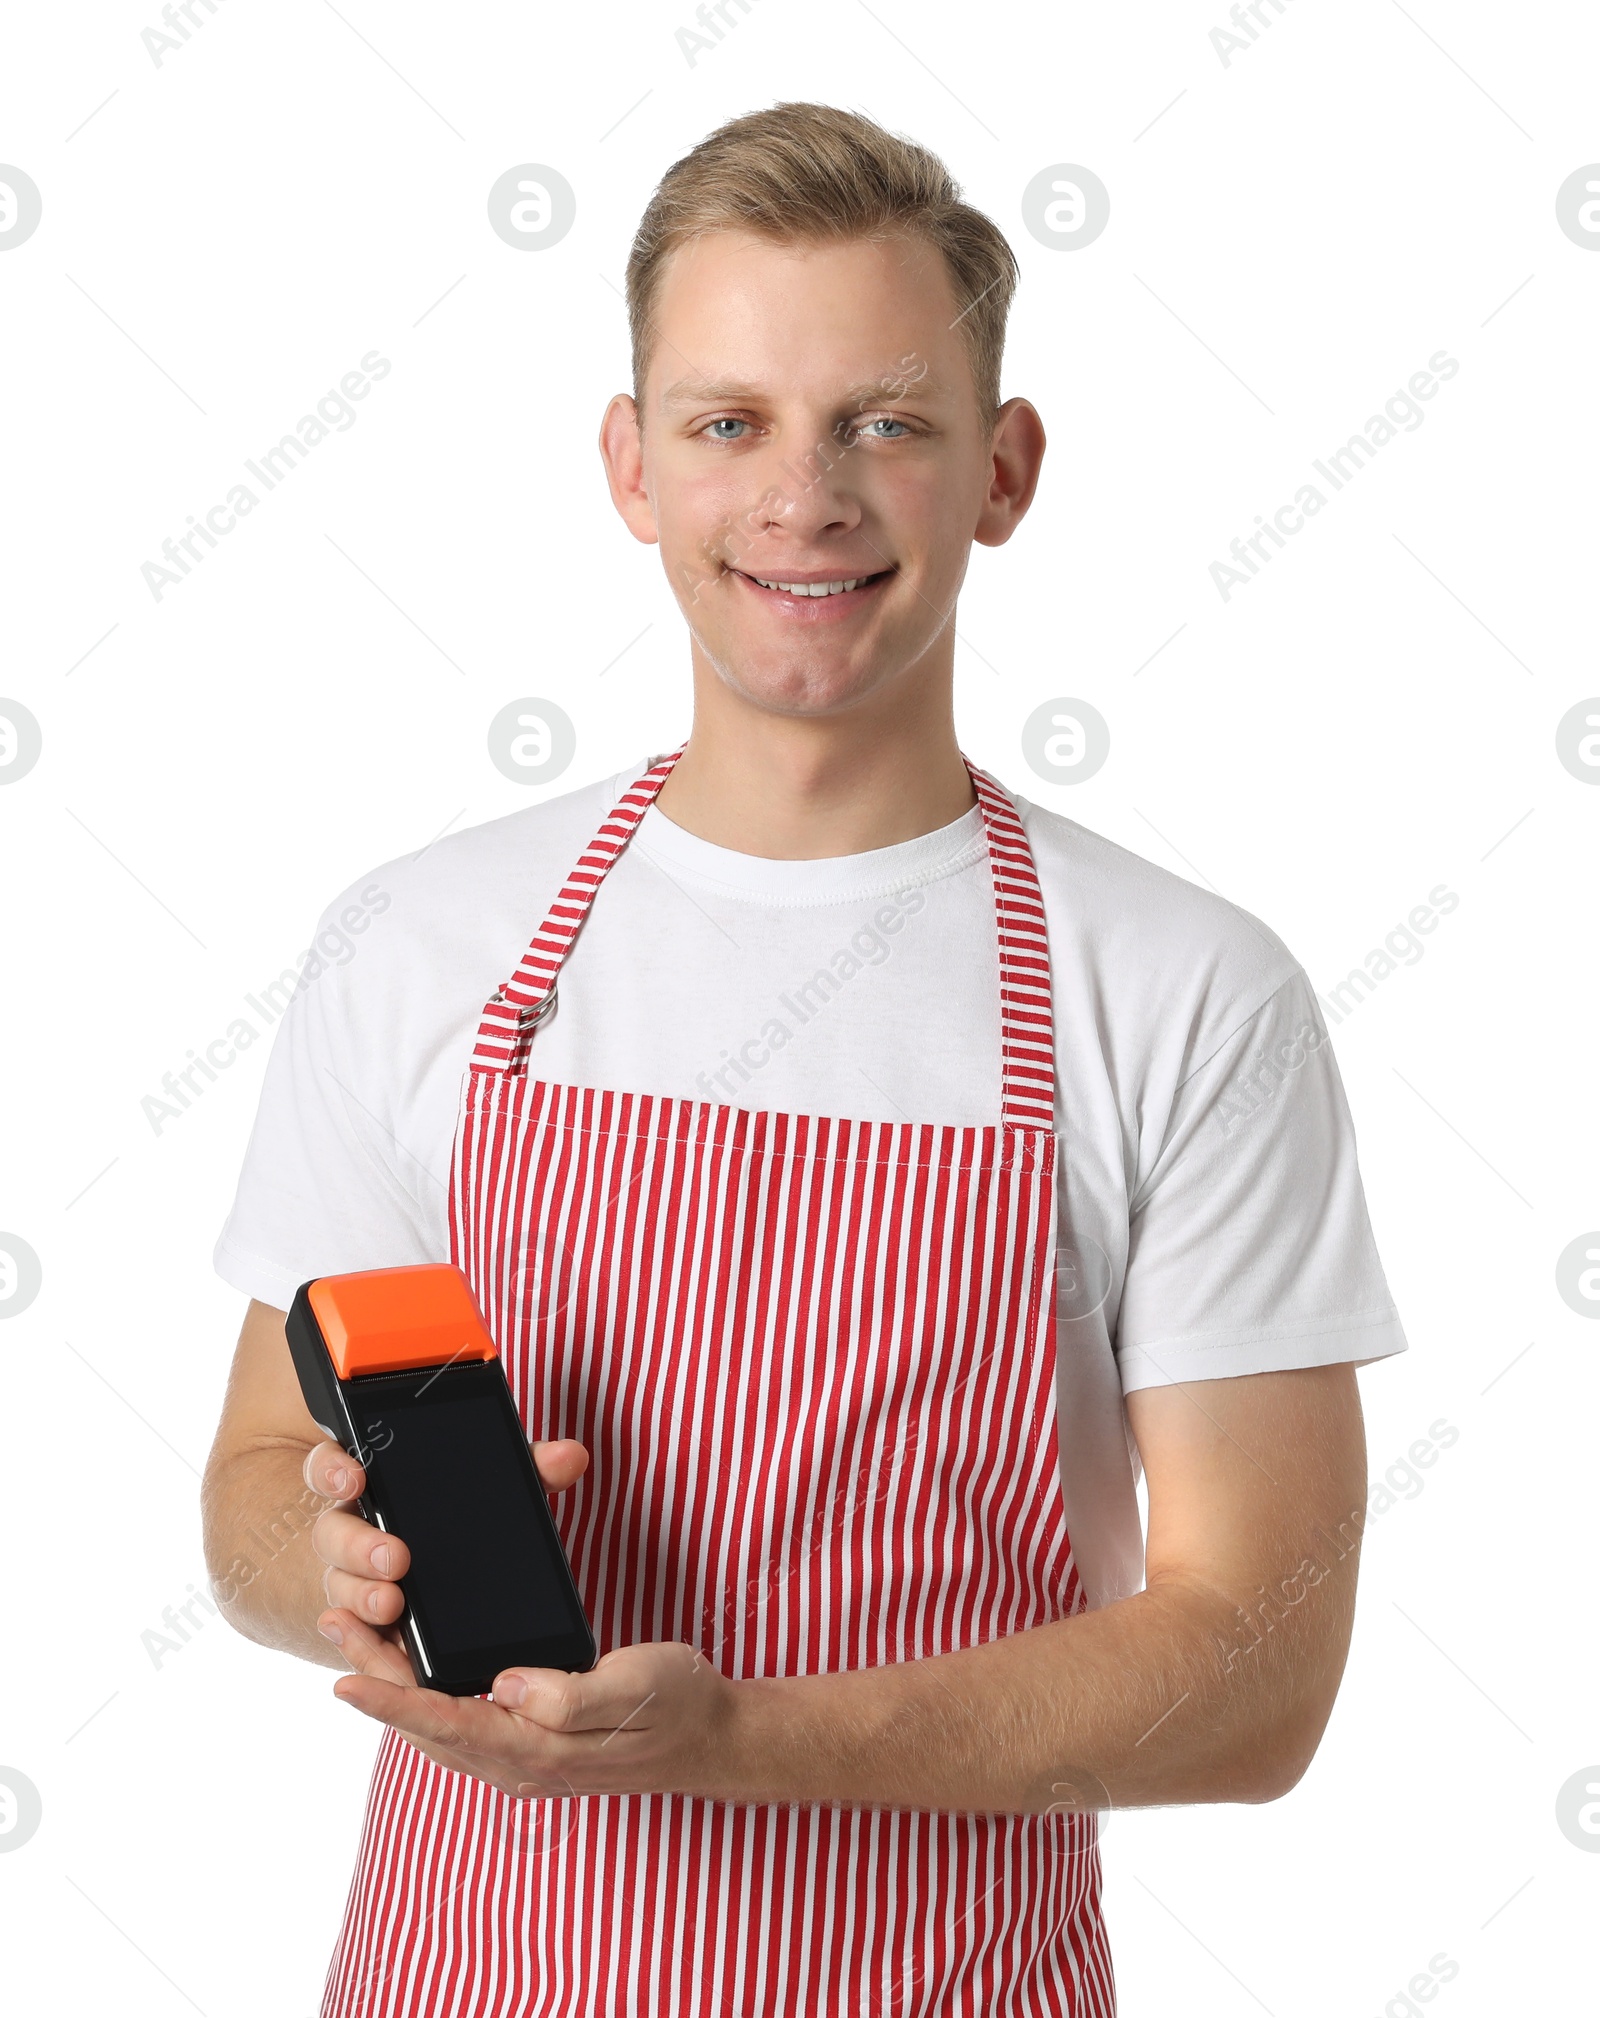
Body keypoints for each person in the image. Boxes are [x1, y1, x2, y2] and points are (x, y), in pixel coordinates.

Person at [202, 101, 1407, 2018]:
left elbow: (1258, 1671)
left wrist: (735, 1735)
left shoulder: (1187, 995)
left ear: (1002, 471)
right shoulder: (422, 946)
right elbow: (260, 1475)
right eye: (730, 422)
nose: (803, 499)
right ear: (632, 465)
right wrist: (327, 1563)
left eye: (887, 423)